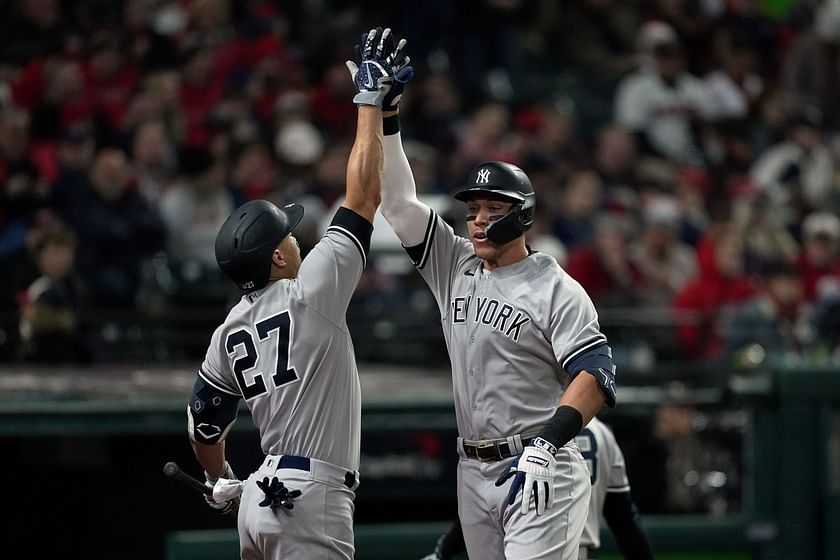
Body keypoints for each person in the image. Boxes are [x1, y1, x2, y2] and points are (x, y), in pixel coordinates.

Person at [376, 58, 617, 560]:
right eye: (473, 211)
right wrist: (386, 117)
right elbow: (398, 204)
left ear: (523, 216)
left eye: (494, 210)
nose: (479, 221)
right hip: (472, 468)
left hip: (539, 461)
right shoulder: (454, 264)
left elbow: (596, 375)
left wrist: (548, 444)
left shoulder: (556, 287)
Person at [185, 27, 405, 560]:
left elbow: (203, 422)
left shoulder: (228, 331)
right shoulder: (311, 290)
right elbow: (364, 194)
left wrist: (219, 479)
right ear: (279, 257)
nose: (296, 236)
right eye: (288, 233)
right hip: (311, 497)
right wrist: (369, 103)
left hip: (259, 498)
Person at [420, 417, 656, 560]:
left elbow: (492, 502)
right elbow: (623, 519)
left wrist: (446, 549)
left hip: (530, 545)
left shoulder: (524, 429)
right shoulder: (603, 433)